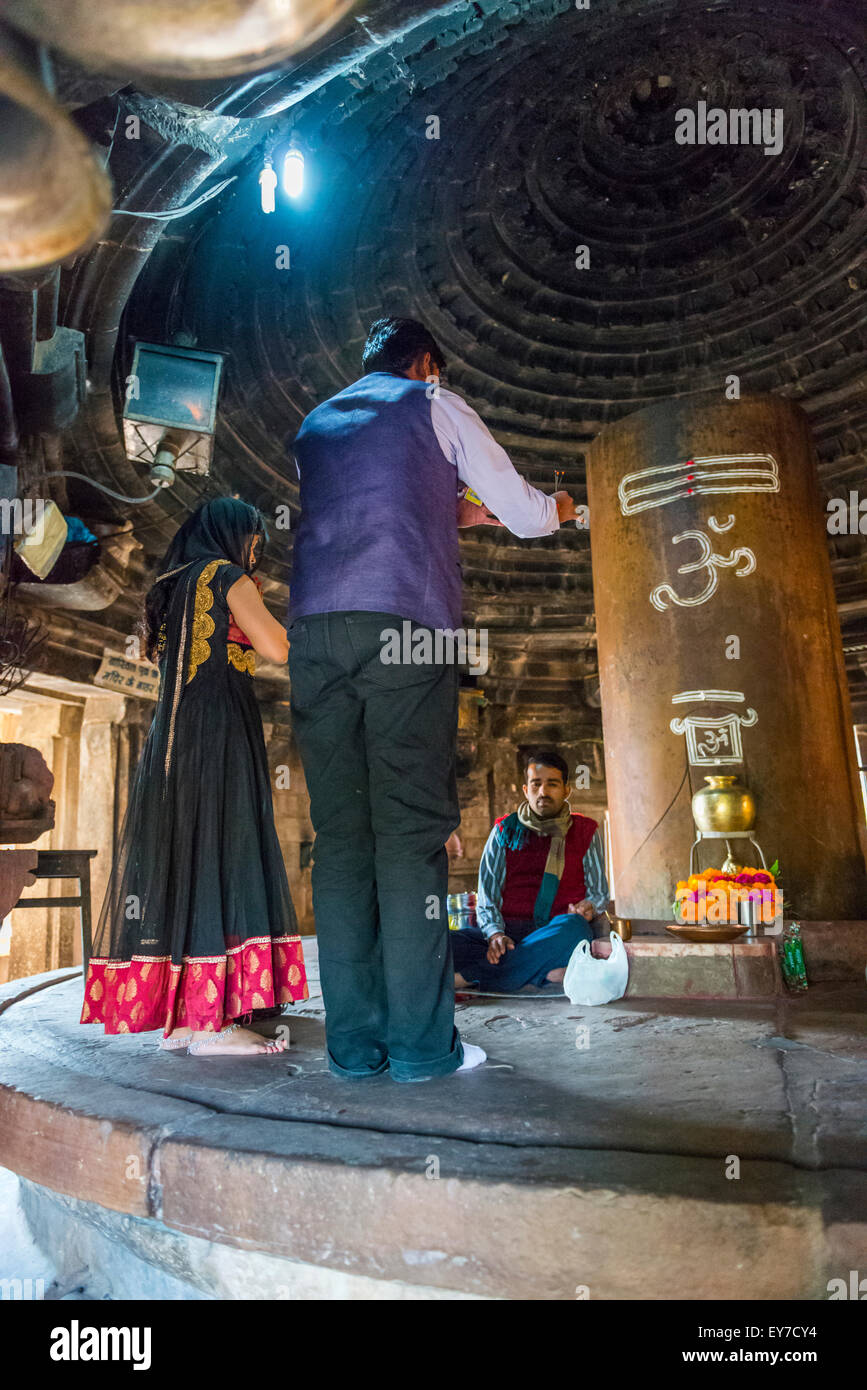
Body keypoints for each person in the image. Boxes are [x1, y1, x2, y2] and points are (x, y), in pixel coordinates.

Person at [287, 315, 579, 1081]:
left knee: (342, 840)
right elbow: (522, 510)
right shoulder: (432, 402)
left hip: (316, 634)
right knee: (410, 835)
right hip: (404, 630)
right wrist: (562, 509)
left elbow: (364, 507)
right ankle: (421, 1050)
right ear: (425, 364)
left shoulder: (316, 423)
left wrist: (449, 513)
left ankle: (353, 1049)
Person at [80, 497, 308, 1056]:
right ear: (235, 536)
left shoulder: (173, 585)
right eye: (255, 542)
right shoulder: (227, 576)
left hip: (171, 740)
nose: (257, 554)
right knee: (222, 852)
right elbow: (277, 647)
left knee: (189, 856)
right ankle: (211, 1025)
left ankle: (184, 1018)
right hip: (217, 731)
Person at [452, 750, 610, 993]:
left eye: (552, 784)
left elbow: (599, 893)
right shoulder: (505, 830)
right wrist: (495, 935)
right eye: (536, 784)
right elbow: (487, 897)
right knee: (447, 943)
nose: (543, 792)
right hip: (509, 935)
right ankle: (540, 974)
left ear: (566, 790)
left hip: (555, 932)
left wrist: (589, 907)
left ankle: (471, 977)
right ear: (526, 790)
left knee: (575, 928)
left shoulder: (586, 830)